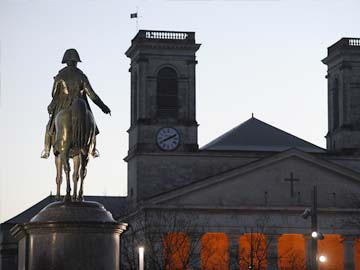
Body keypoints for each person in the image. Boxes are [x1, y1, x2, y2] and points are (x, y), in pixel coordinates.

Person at [41, 48, 111, 159]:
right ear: (76, 62)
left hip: (62, 106)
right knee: (93, 125)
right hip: (80, 106)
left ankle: (46, 150)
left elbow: (53, 93)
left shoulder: (60, 76)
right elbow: (92, 95)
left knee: (49, 127)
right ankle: (93, 150)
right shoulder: (82, 76)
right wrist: (103, 107)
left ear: (66, 61)